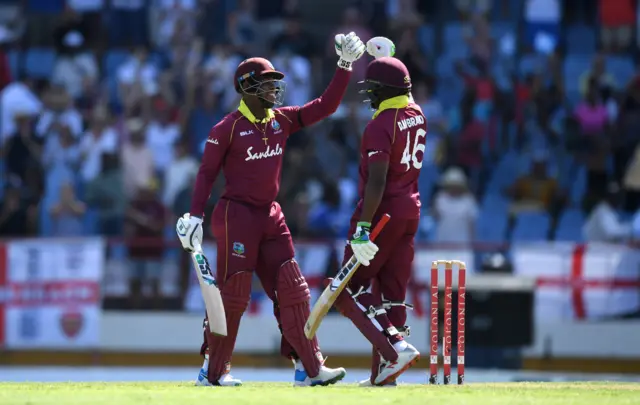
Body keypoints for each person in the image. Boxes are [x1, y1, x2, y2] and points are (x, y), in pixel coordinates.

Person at [175, 32, 366, 387]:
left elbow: (325, 106)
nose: (274, 90)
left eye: (274, 83)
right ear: (246, 87)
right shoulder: (227, 128)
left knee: (293, 290)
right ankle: (213, 372)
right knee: (233, 297)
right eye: (266, 84)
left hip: (270, 215)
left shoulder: (282, 120)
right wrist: (196, 215)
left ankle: (309, 369)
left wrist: (344, 67)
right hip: (236, 216)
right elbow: (205, 173)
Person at [329, 55, 425, 387]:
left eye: (373, 88)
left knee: (345, 289)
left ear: (386, 89)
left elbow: (377, 182)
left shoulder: (379, 125)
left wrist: (363, 228)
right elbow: (403, 96)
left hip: (382, 214)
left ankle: (394, 346)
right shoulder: (418, 114)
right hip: (411, 210)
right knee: (392, 294)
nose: (369, 94)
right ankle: (383, 377)